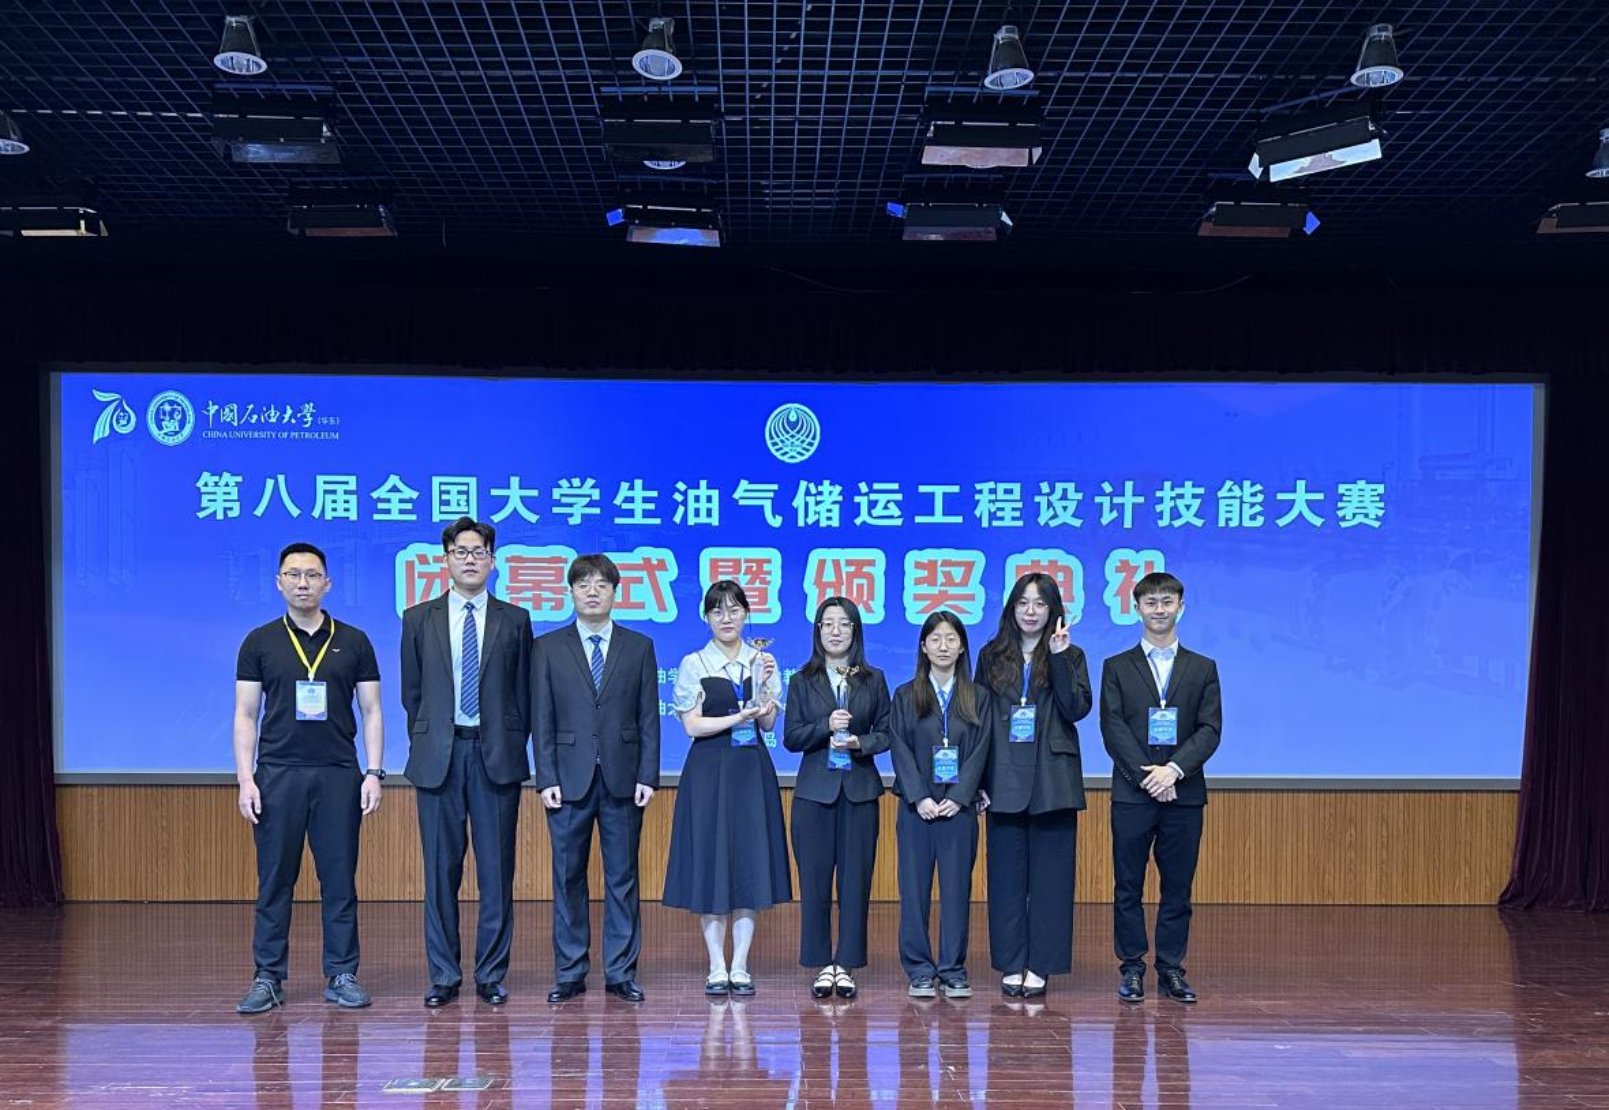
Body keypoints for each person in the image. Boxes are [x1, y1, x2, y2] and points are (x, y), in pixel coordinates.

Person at [233, 542, 383, 1014]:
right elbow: (245, 714)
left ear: (328, 583)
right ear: (279, 582)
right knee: (275, 880)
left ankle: (342, 973)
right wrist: (246, 779)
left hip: (339, 774)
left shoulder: (354, 641)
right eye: (294, 574)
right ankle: (267, 976)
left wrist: (373, 772)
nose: (303, 583)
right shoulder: (259, 641)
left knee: (338, 878)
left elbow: (372, 711)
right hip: (277, 774)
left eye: (312, 575)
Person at [400, 517, 532, 1008]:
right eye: (461, 551)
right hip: (440, 756)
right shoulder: (419, 618)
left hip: (495, 755)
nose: (470, 559)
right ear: (446, 559)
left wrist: (509, 741)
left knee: (496, 872)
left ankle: (491, 974)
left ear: (492, 561)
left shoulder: (514, 619)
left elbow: (523, 693)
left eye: (479, 552)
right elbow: (412, 694)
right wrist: (435, 738)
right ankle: (444, 974)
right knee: (440, 871)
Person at [532, 553, 661, 1004]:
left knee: (622, 879)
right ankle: (570, 972)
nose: (592, 591)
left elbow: (648, 717)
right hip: (567, 781)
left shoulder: (638, 646)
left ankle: (621, 971)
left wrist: (649, 774)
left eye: (601, 584)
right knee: (568, 877)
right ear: (570, 592)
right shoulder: (547, 647)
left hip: (624, 778)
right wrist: (545, 775)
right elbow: (541, 717)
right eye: (583, 584)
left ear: (614, 592)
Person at [662, 580, 790, 997]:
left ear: (746, 614)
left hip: (751, 769)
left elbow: (767, 723)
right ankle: (716, 965)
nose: (727, 618)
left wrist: (765, 693)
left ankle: (741, 965)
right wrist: (737, 718)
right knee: (711, 863)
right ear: (706, 617)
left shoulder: (761, 660)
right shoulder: (694, 663)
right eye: (717, 611)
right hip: (709, 770)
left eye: (734, 609)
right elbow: (692, 726)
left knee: (749, 864)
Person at [1101, 571, 1222, 1004]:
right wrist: (1149, 777)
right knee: (1127, 885)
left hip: (1183, 795)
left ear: (1180, 608)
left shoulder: (1203, 668)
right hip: (1132, 794)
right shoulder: (1116, 666)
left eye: (1167, 601)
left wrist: (1173, 770)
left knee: (1177, 887)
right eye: (1150, 602)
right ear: (1137, 609)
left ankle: (1171, 968)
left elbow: (1209, 730)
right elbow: (1113, 728)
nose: (1159, 609)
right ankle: (1132, 967)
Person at [975, 572, 1092, 998]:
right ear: (1011, 607)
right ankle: (1011, 961)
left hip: (1052, 779)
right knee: (1006, 878)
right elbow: (978, 720)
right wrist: (978, 782)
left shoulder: (1071, 654)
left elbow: (1076, 708)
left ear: (1053, 610)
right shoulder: (991, 655)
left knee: (1051, 880)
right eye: (1023, 602)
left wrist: (1058, 658)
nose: (1031, 611)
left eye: (1040, 604)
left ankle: (1041, 963)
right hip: (1003, 777)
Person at [783, 597, 892, 1000]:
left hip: (859, 791)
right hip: (814, 794)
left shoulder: (873, 679)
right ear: (817, 631)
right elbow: (791, 737)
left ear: (855, 631)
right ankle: (820, 964)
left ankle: (845, 964)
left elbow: (887, 733)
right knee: (814, 883)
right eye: (827, 623)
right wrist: (824, 726)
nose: (835, 631)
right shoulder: (802, 680)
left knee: (855, 882)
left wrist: (858, 742)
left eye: (844, 624)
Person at [888, 611, 994, 1000]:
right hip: (916, 810)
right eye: (935, 639)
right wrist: (920, 797)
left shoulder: (978, 696)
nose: (943, 646)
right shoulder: (905, 695)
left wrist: (958, 796)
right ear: (923, 646)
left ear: (962, 646)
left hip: (958, 811)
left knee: (956, 892)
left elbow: (981, 749)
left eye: (951, 639)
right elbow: (899, 747)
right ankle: (919, 969)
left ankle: (952, 969)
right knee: (914, 893)